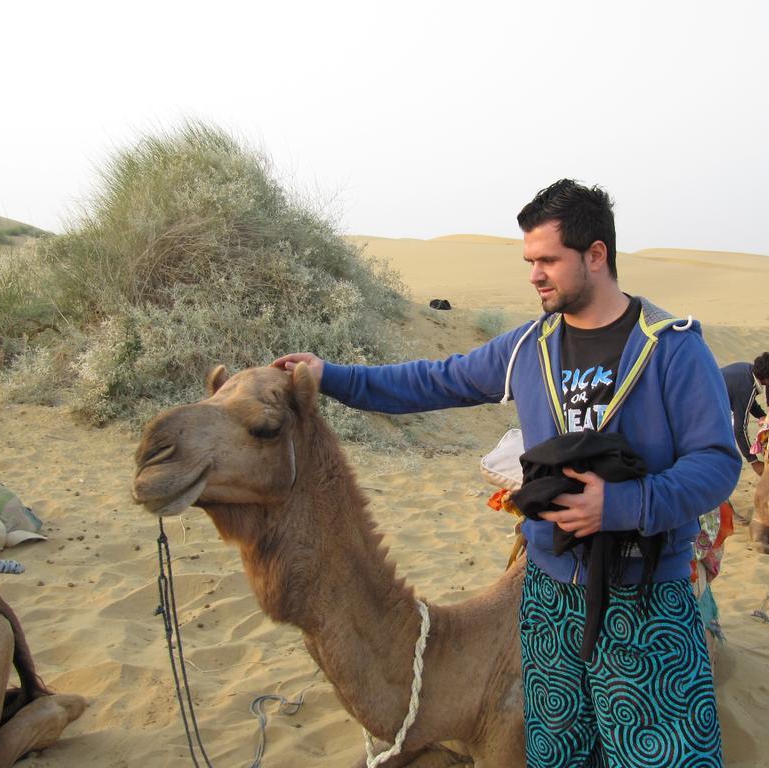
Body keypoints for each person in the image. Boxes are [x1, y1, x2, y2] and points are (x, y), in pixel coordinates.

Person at [273, 179, 740, 766]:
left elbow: (717, 463)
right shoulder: (529, 348)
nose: (535, 275)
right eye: (529, 261)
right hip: (548, 597)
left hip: (646, 596)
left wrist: (623, 505)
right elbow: (431, 381)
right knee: (556, 755)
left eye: (548, 259)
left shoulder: (671, 348)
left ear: (596, 255)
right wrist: (333, 375)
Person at [720, 352, 769, 476]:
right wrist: (753, 461)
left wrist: (761, 415)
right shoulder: (747, 387)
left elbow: (747, 401)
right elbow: (740, 429)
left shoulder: (746, 369)